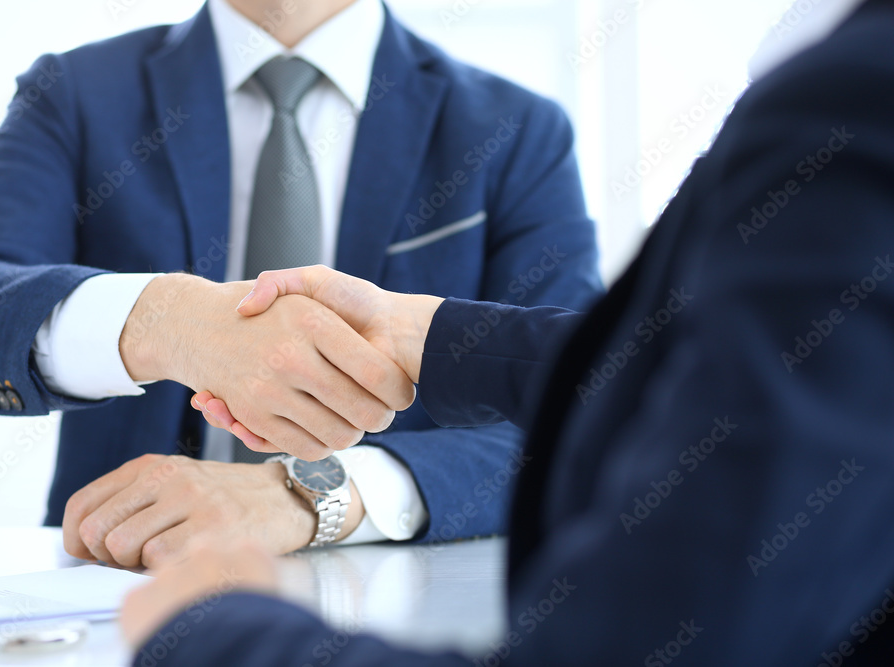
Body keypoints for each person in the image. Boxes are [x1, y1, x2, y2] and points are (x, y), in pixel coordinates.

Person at [119, 0, 894, 664]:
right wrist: (437, 338)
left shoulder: (853, 94)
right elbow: (696, 366)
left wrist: (223, 635)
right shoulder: (83, 89)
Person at [0, 0, 602, 563]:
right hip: (121, 586)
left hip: (405, 595)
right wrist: (168, 321)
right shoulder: (78, 96)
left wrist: (308, 496)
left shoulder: (514, 130)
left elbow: (586, 406)